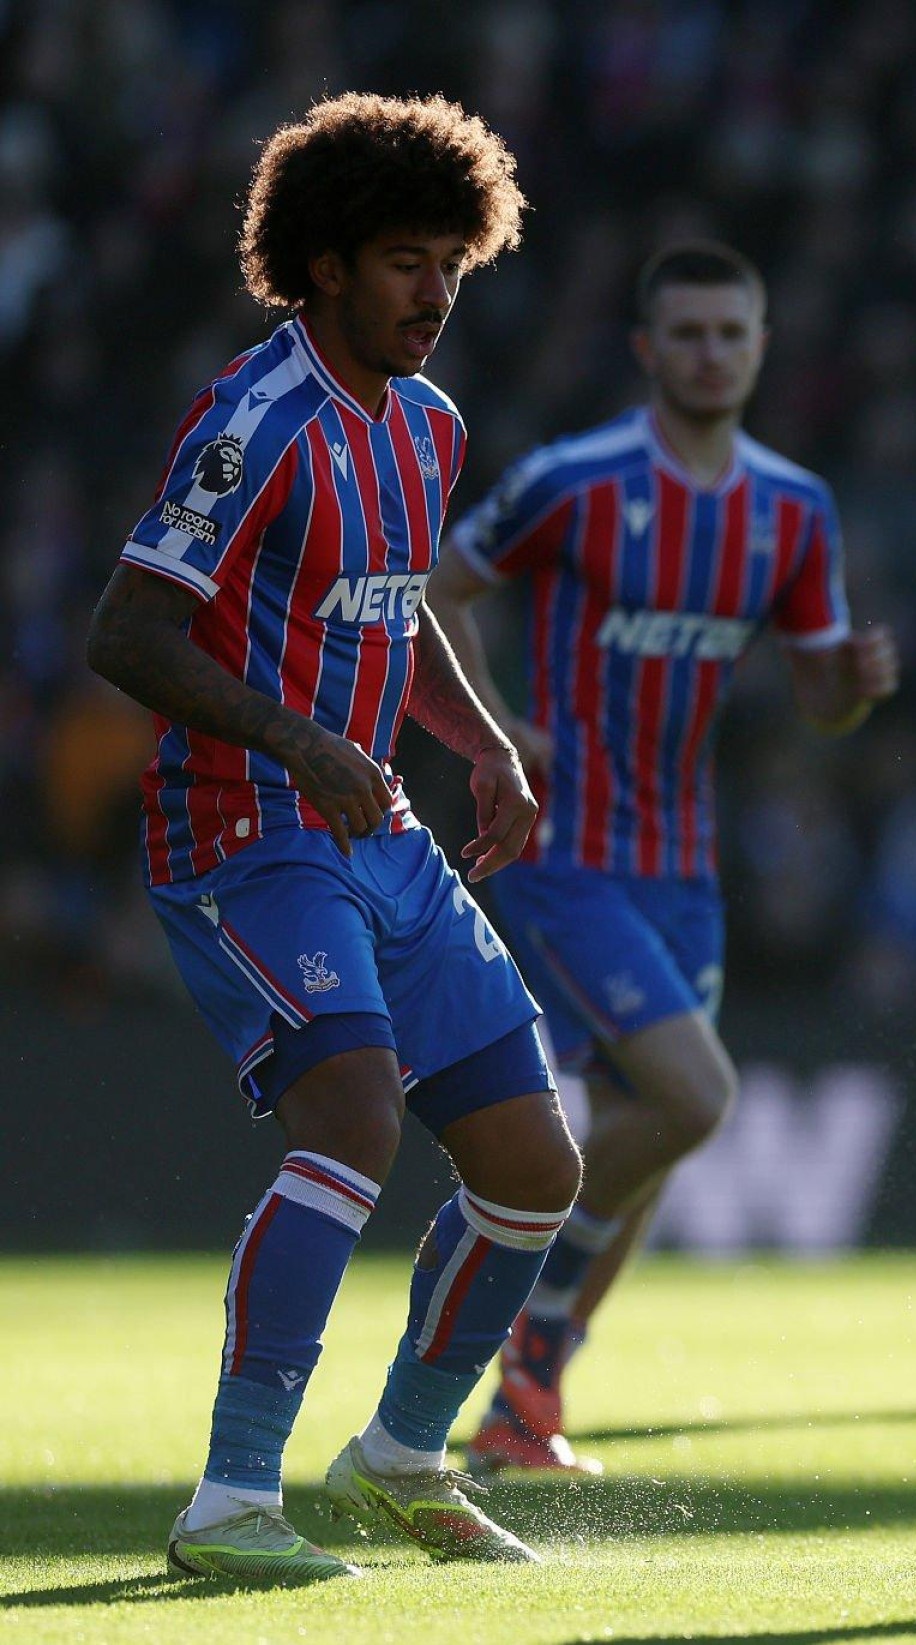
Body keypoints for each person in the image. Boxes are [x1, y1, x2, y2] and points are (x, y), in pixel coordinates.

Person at [86, 93, 577, 1584]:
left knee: (535, 1165)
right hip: (247, 826)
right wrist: (299, 739)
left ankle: (404, 1453)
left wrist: (481, 740)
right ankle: (232, 1501)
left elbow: (398, 601)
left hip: (381, 824)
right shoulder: (257, 418)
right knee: (355, 1116)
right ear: (321, 265)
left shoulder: (425, 425)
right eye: (404, 262)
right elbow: (128, 630)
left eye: (451, 261)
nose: (434, 292)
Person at [425, 240, 899, 1475]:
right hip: (564, 849)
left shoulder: (793, 507)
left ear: (759, 348)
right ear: (648, 349)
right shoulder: (574, 481)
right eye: (685, 333)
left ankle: (524, 1403)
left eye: (728, 333)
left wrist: (849, 688)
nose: (708, 352)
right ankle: (500, 1313)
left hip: (682, 870)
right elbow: (441, 586)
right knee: (696, 1096)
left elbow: (820, 702)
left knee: (655, 1125)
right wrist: (492, 728)